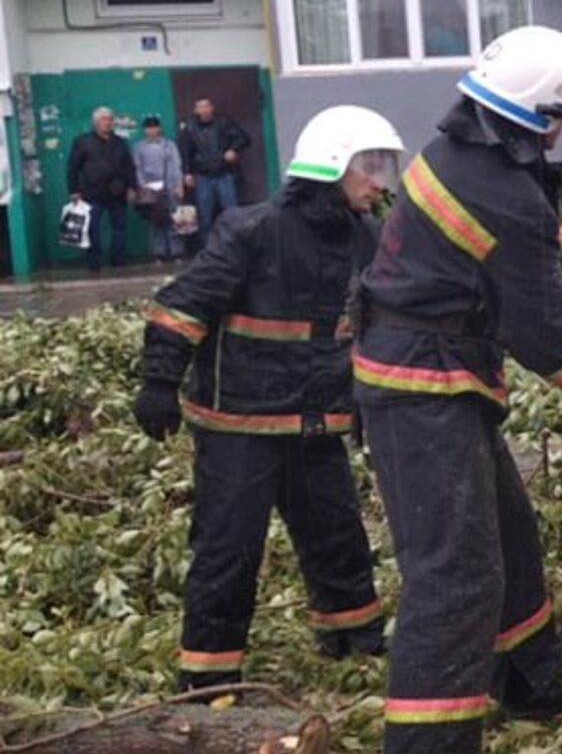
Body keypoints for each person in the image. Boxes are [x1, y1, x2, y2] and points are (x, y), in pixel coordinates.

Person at [351, 25, 562, 754]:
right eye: (561, 122)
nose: (561, 136)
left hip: (436, 379)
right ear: (537, 114)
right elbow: (559, 350)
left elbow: (542, 246)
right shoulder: (501, 191)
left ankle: (531, 690)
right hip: (422, 390)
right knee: (454, 578)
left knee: (508, 539)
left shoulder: (458, 156)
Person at [132, 105, 407, 691]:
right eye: (370, 167)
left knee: (338, 536)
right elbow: (183, 306)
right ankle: (209, 677)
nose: (380, 183)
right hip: (241, 426)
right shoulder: (251, 230)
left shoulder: (366, 237)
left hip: (315, 422)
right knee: (228, 549)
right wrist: (158, 383)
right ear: (332, 166)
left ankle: (352, 643)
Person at [177, 97, 253, 250]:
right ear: (196, 110)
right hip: (202, 175)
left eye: (207, 106)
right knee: (204, 215)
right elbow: (185, 152)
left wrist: (234, 150)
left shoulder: (224, 122)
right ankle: (208, 249)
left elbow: (244, 138)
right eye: (201, 107)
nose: (204, 110)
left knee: (232, 212)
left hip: (224, 172)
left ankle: (237, 246)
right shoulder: (189, 128)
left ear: (212, 108)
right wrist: (187, 173)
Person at [66, 106, 136, 271]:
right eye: (104, 119)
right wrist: (74, 190)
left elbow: (129, 167)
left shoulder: (120, 142)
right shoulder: (83, 141)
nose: (108, 122)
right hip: (92, 193)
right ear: (96, 122)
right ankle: (94, 262)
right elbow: (73, 168)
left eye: (110, 119)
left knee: (119, 228)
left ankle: (118, 260)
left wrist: (132, 187)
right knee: (92, 229)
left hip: (117, 192)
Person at [132, 115, 187, 262]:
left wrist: (179, 184)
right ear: (144, 130)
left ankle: (177, 252)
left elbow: (176, 165)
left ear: (159, 129)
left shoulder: (169, 145)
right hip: (150, 190)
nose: (151, 131)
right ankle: (158, 254)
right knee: (155, 221)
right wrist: (143, 186)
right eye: (148, 128)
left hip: (170, 187)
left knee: (174, 219)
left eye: (154, 127)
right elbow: (137, 168)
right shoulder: (138, 147)